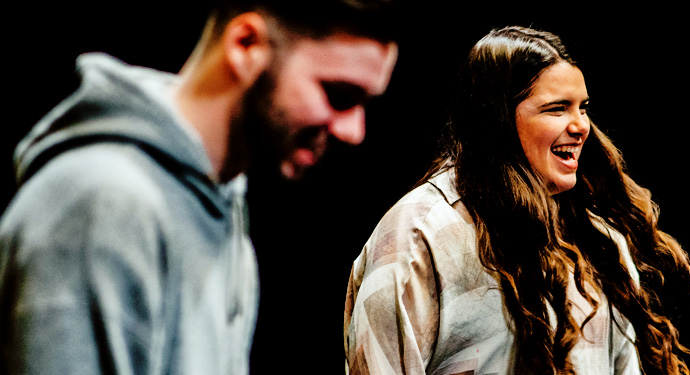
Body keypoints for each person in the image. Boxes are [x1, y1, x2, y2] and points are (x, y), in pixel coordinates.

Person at [0, 1, 399, 374]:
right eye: (339, 95)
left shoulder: (222, 202)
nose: (355, 131)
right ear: (245, 45)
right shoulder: (98, 200)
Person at [343, 26, 690, 375]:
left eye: (583, 108)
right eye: (557, 109)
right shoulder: (421, 233)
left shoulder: (599, 243)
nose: (580, 126)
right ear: (498, 119)